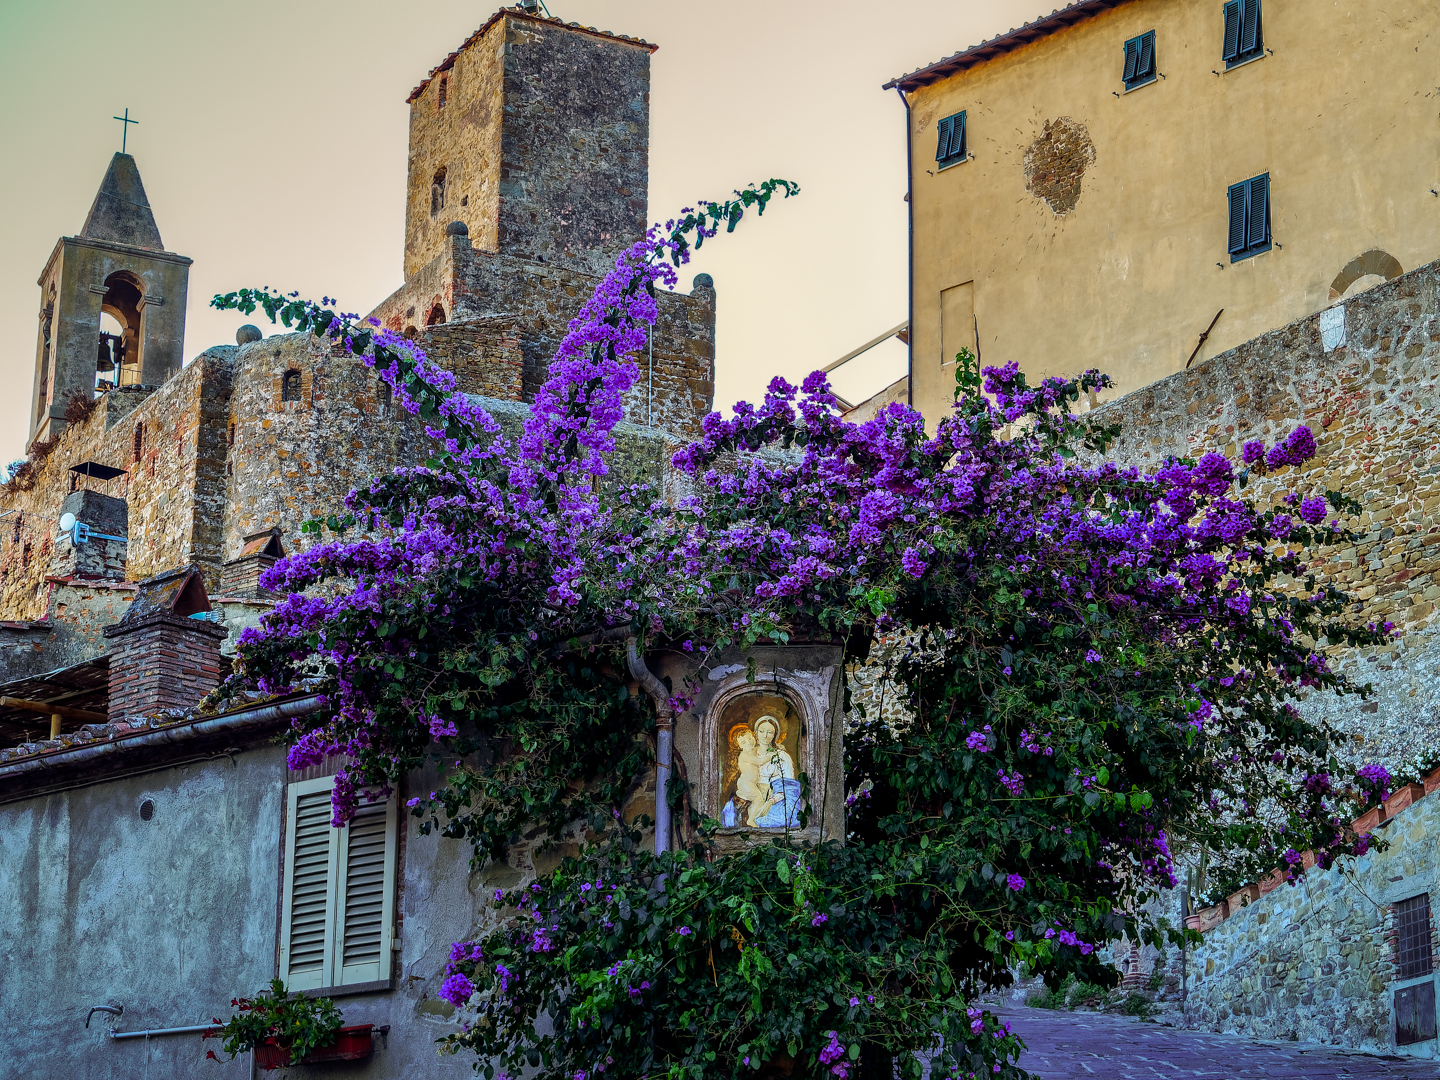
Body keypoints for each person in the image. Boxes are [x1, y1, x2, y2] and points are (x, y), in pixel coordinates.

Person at [750, 715, 801, 828]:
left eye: (770, 732)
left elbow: (789, 788)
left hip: (776, 802)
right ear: (756, 732)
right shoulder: (750, 755)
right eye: (762, 731)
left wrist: (770, 802)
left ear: (774, 735)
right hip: (753, 798)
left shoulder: (782, 756)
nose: (765, 736)